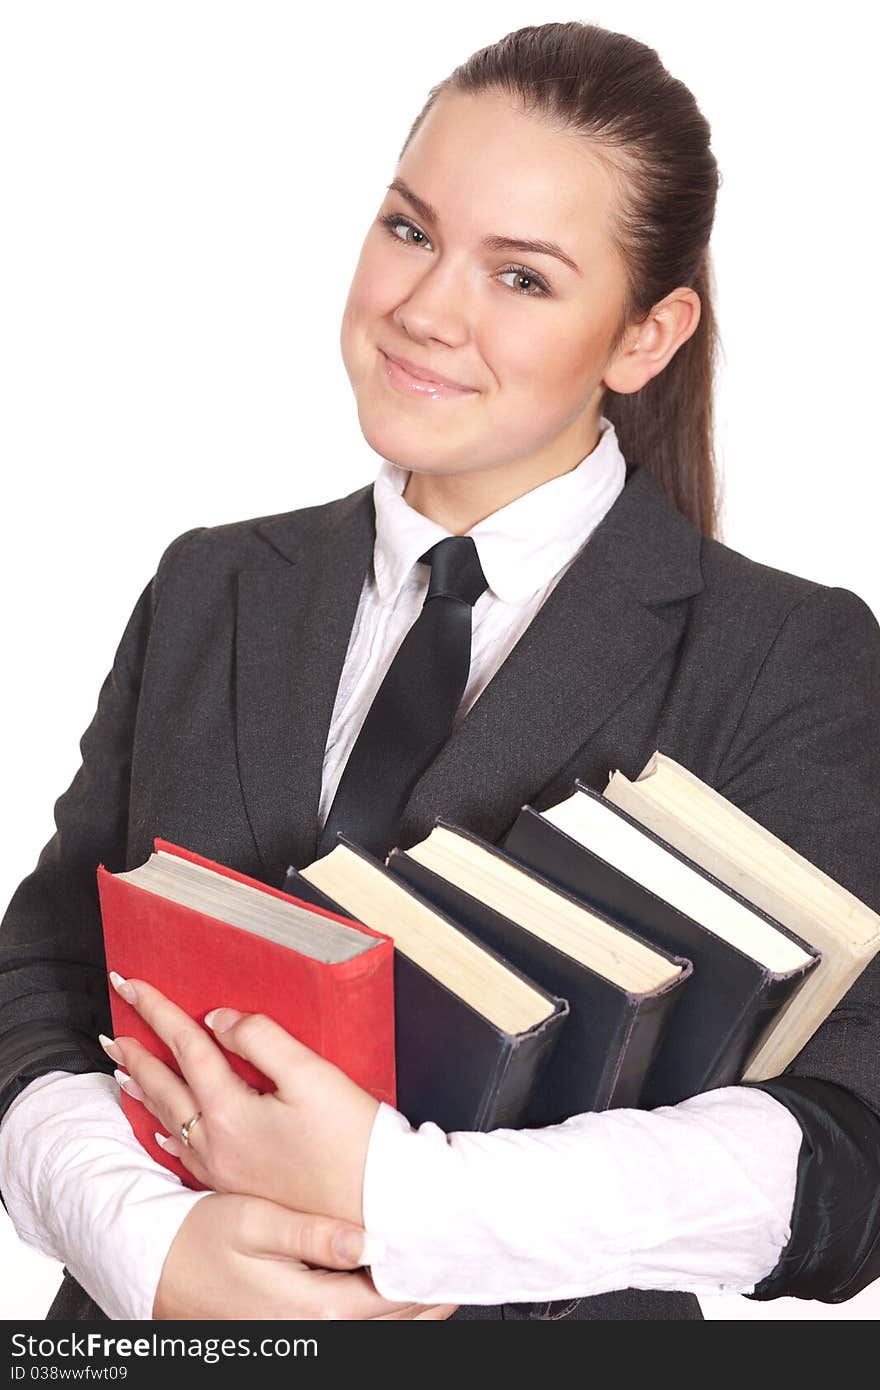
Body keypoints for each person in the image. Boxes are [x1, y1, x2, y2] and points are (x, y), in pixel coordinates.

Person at [1, 19, 879, 1323]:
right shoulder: (213, 587)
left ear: (646, 337)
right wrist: (143, 1243)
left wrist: (400, 1201)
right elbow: (42, 981)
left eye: (521, 278)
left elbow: (845, 1153)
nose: (422, 308)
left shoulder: (784, 654)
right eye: (411, 229)